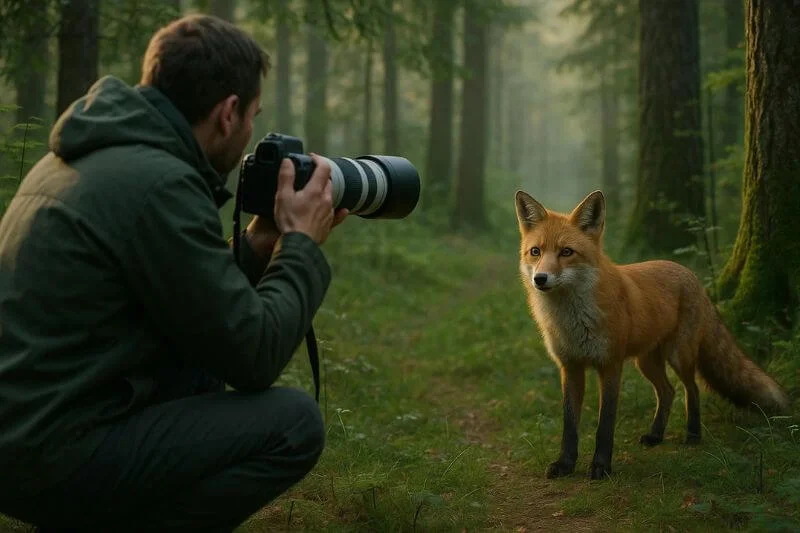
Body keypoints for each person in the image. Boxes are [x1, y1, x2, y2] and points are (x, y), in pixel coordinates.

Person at [0, 13, 347, 532]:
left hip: (26, 434)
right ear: (228, 113)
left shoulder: (87, 153)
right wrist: (299, 244)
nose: (249, 132)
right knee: (292, 425)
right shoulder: (159, 183)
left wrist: (259, 243)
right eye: (251, 116)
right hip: (54, 453)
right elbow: (254, 355)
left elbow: (192, 294)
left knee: (198, 365)